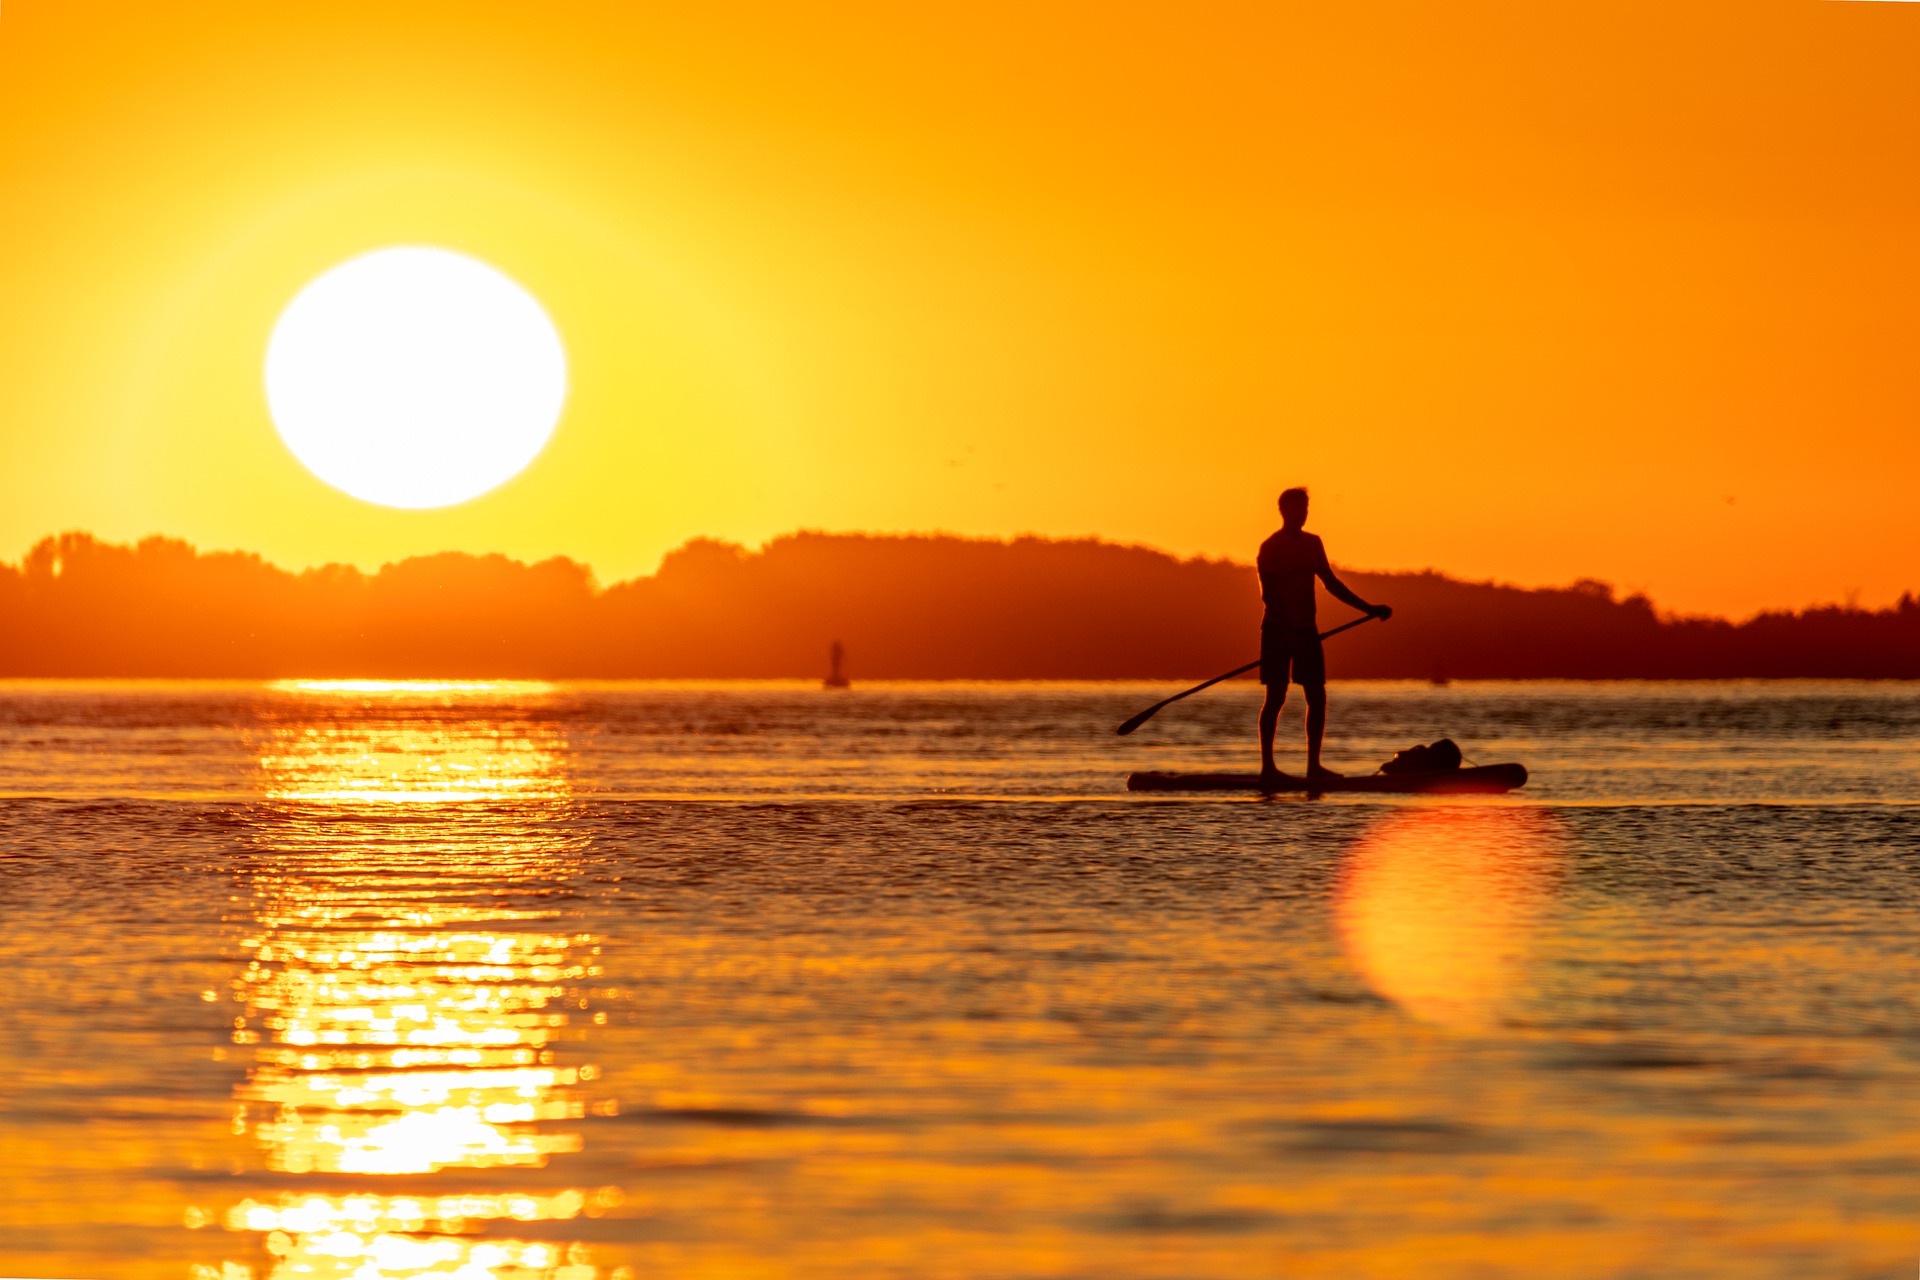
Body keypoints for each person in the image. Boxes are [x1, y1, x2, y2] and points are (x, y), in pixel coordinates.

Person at [1257, 487, 1390, 780]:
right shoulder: (1270, 547)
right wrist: (1289, 633)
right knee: (1276, 697)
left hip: (1307, 630)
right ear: (1283, 511)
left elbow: (1330, 583)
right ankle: (1268, 768)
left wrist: (1368, 608)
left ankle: (1313, 767)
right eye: (1297, 509)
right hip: (1277, 630)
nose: (1303, 514)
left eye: (1305, 508)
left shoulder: (1313, 543)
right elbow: (1270, 596)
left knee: (1317, 697)